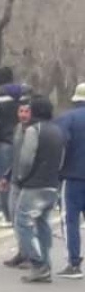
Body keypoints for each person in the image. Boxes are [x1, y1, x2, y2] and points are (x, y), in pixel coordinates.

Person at [7, 96, 64, 283]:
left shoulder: (34, 130)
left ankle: (38, 264)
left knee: (22, 222)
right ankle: (46, 263)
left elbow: (26, 159)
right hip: (52, 184)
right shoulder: (57, 130)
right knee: (43, 224)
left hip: (34, 186)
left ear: (35, 111)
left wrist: (21, 177)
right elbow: (62, 158)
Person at [0, 67, 30, 225]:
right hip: (24, 139)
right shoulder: (25, 94)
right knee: (24, 176)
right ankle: (26, 210)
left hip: (2, 143)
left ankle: (9, 215)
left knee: (4, 180)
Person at [56, 83, 85, 278]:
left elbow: (60, 146)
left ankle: (74, 264)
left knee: (71, 220)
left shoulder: (67, 118)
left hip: (73, 176)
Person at [2, 102, 33, 269]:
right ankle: (22, 252)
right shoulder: (17, 129)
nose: (23, 114)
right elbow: (15, 156)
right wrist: (6, 176)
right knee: (14, 216)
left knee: (26, 220)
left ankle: (31, 255)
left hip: (30, 182)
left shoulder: (35, 131)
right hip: (15, 180)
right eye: (21, 111)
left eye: (27, 111)